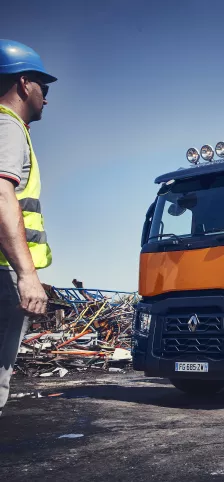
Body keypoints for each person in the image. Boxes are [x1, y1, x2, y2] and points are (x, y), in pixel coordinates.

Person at [0, 39, 57, 416]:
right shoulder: (8, 127)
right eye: (44, 87)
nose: (46, 98)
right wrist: (27, 274)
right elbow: (2, 198)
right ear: (24, 84)